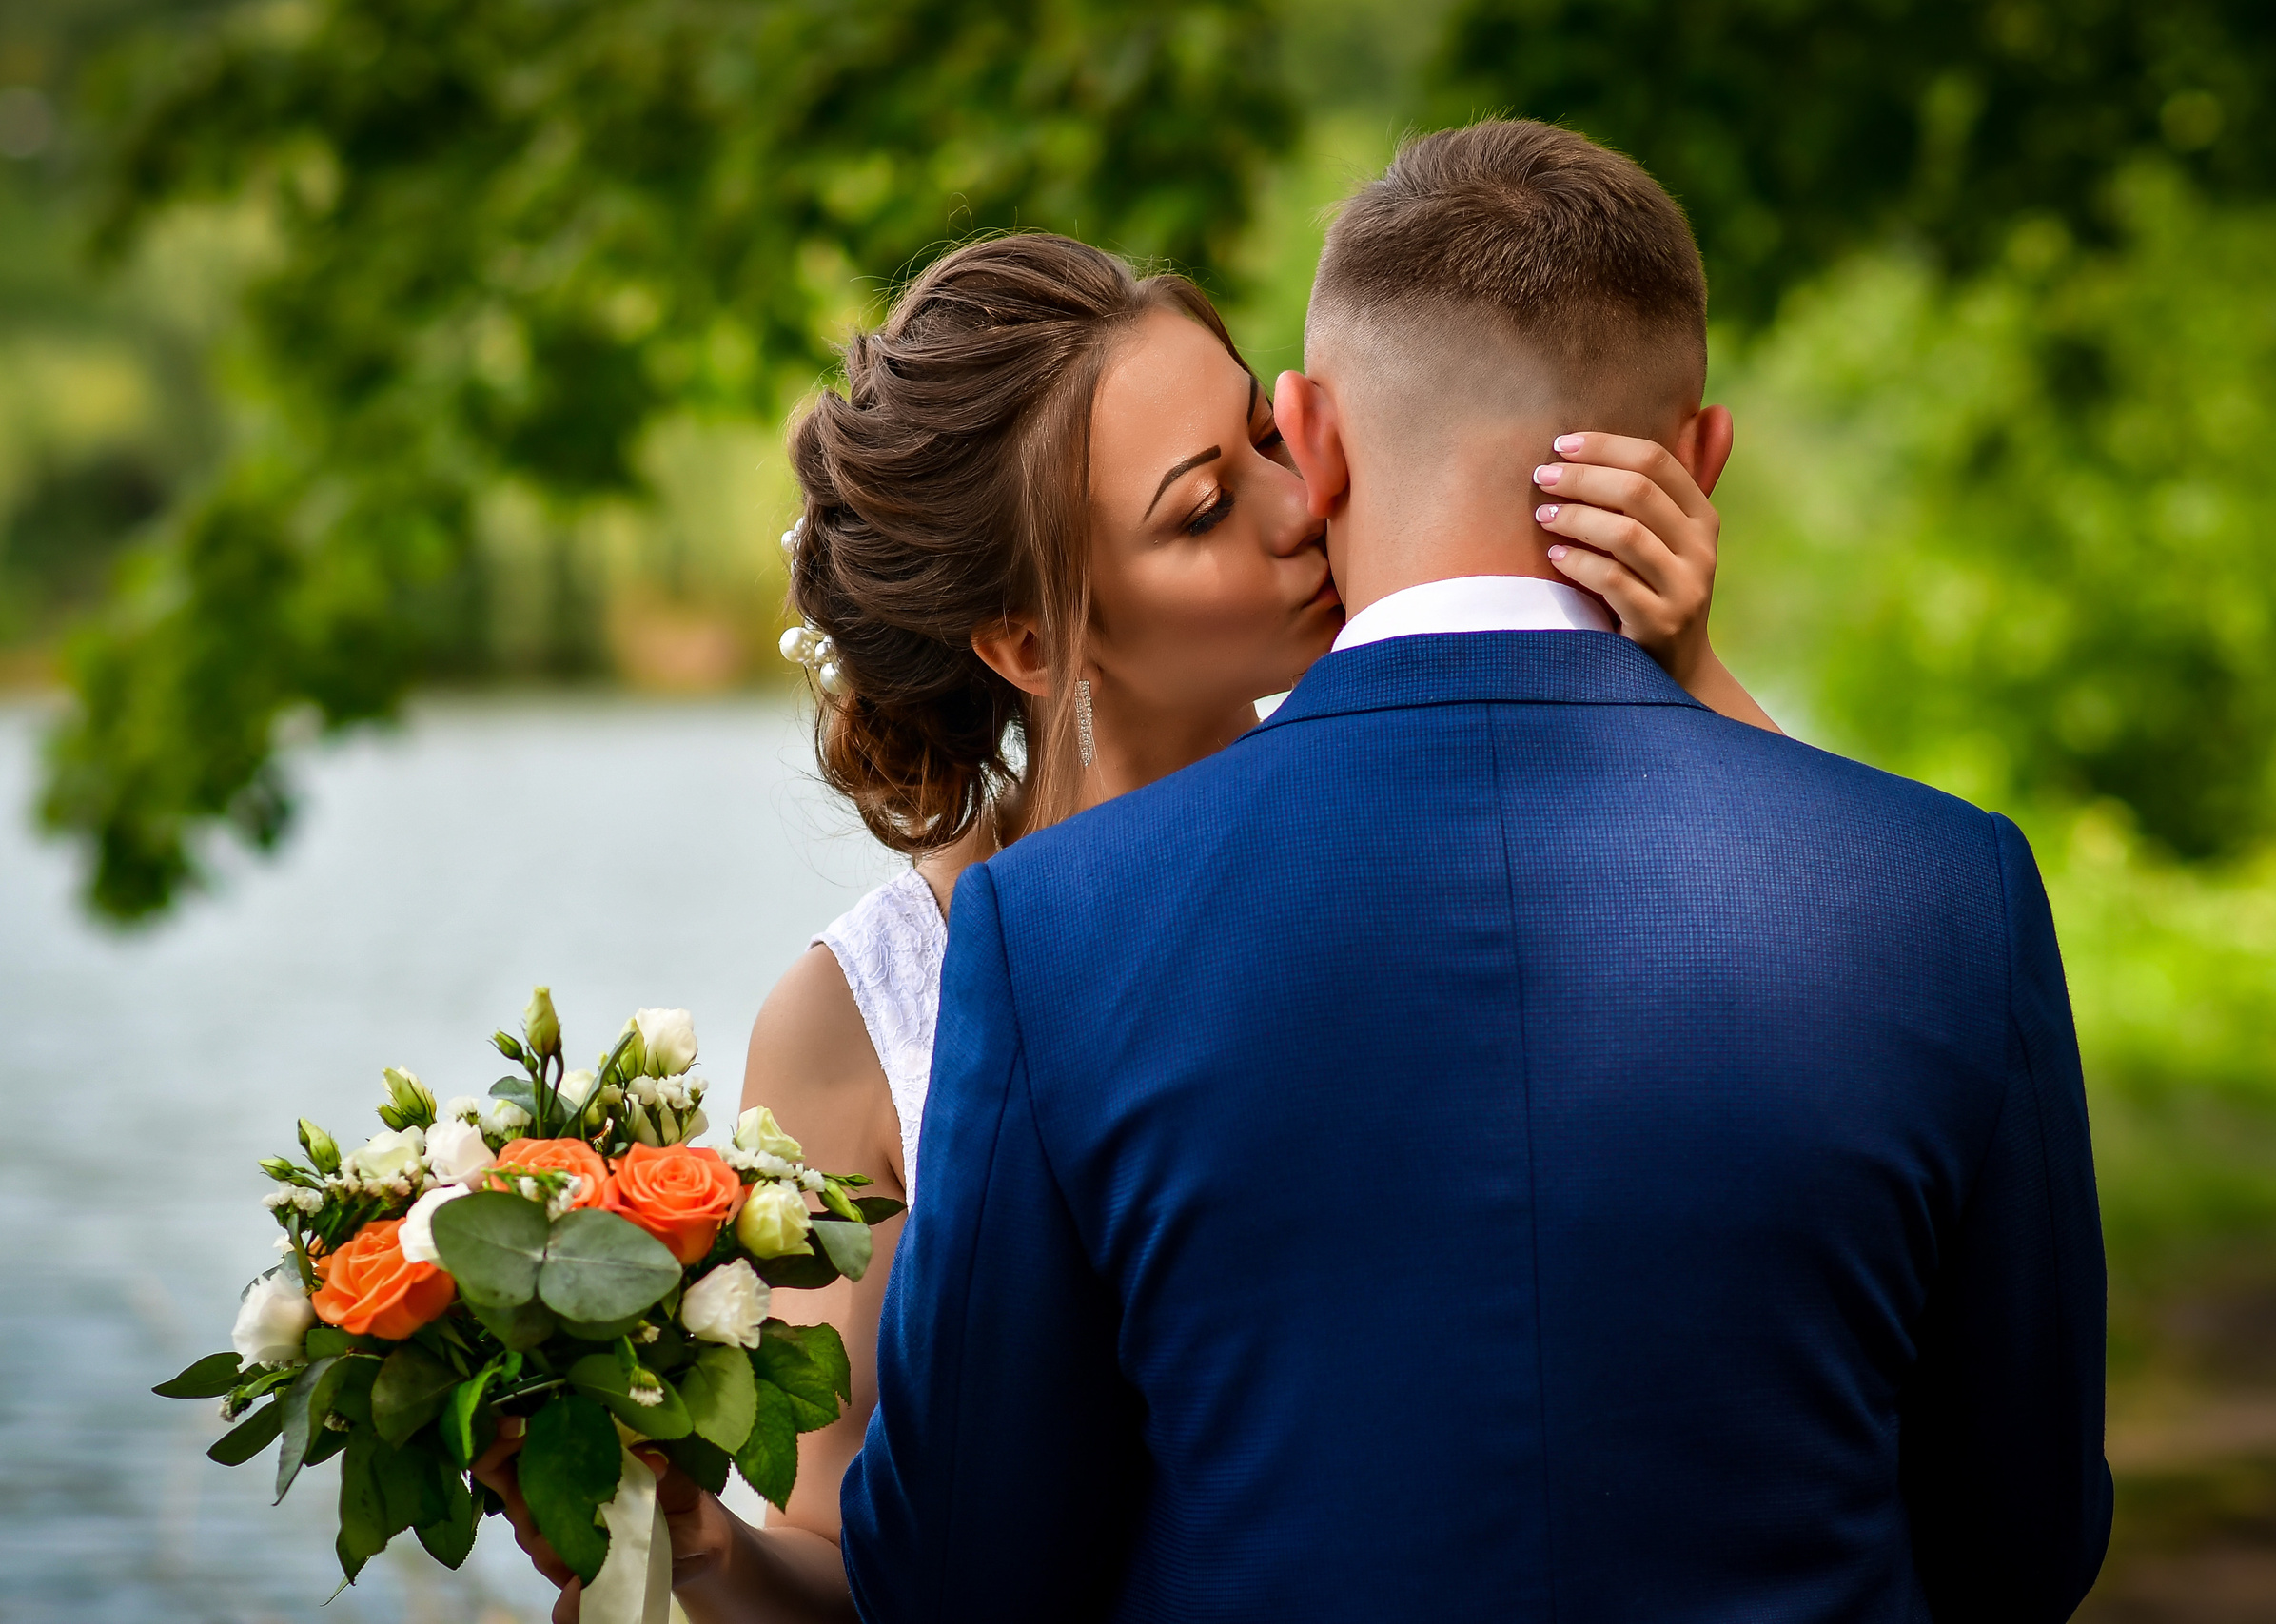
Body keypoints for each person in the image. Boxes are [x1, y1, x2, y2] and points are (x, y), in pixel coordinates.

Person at [840, 121, 2112, 1622]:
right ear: (1703, 457)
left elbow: (956, 1580)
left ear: (1311, 439)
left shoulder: (1046, 935)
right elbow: (2025, 1538)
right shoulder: (1949, 894)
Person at [484, 201, 1779, 1617]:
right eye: (1207, 507)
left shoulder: (1431, 836)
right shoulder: (859, 1019)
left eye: (1276, 438)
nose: (1309, 506)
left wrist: (1683, 675)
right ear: (1033, 640)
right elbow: (865, 1561)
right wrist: (697, 1548)